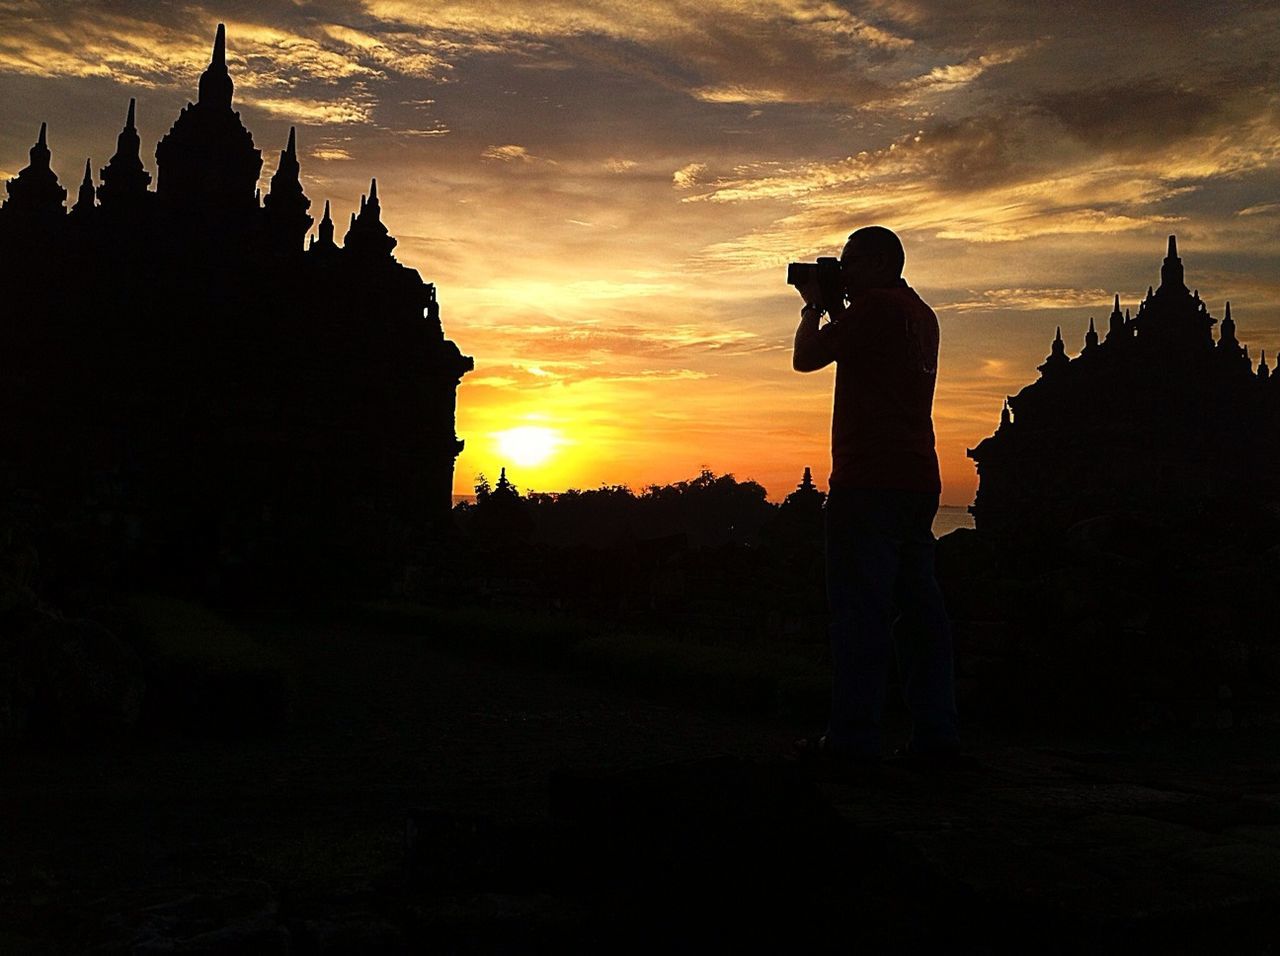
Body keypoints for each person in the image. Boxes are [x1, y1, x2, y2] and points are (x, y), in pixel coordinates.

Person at [792, 225, 959, 762]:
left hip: (867, 479)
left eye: (852, 260)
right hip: (915, 476)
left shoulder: (875, 309)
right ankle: (936, 737)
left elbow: (806, 359)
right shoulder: (920, 314)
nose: (845, 270)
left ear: (884, 261)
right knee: (920, 616)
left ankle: (852, 741)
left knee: (859, 615)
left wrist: (813, 307)